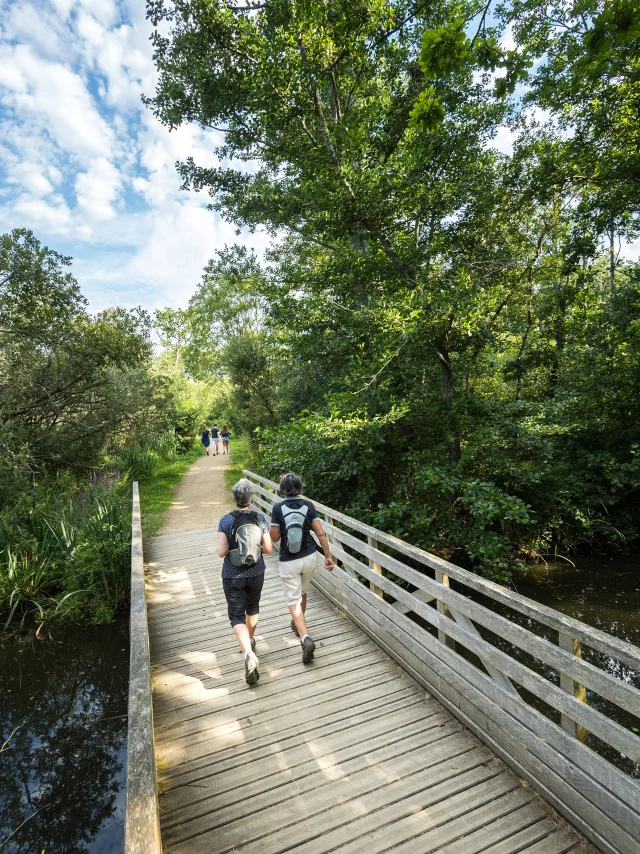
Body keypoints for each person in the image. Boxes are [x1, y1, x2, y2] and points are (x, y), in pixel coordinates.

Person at [270, 473, 334, 664]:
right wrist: (328, 556)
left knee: (292, 599)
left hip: (289, 560)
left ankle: (305, 638)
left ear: (282, 489)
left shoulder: (278, 508)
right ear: (300, 487)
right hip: (309, 557)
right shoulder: (309, 506)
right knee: (303, 592)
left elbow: (274, 538)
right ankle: (298, 623)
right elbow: (320, 534)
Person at [217, 478, 272, 685]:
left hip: (232, 574)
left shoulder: (226, 520)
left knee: (236, 616)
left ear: (234, 498)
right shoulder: (260, 518)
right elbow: (268, 549)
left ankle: (248, 653)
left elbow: (221, 551)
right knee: (252, 608)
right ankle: (249, 641)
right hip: (256, 572)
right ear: (251, 498)